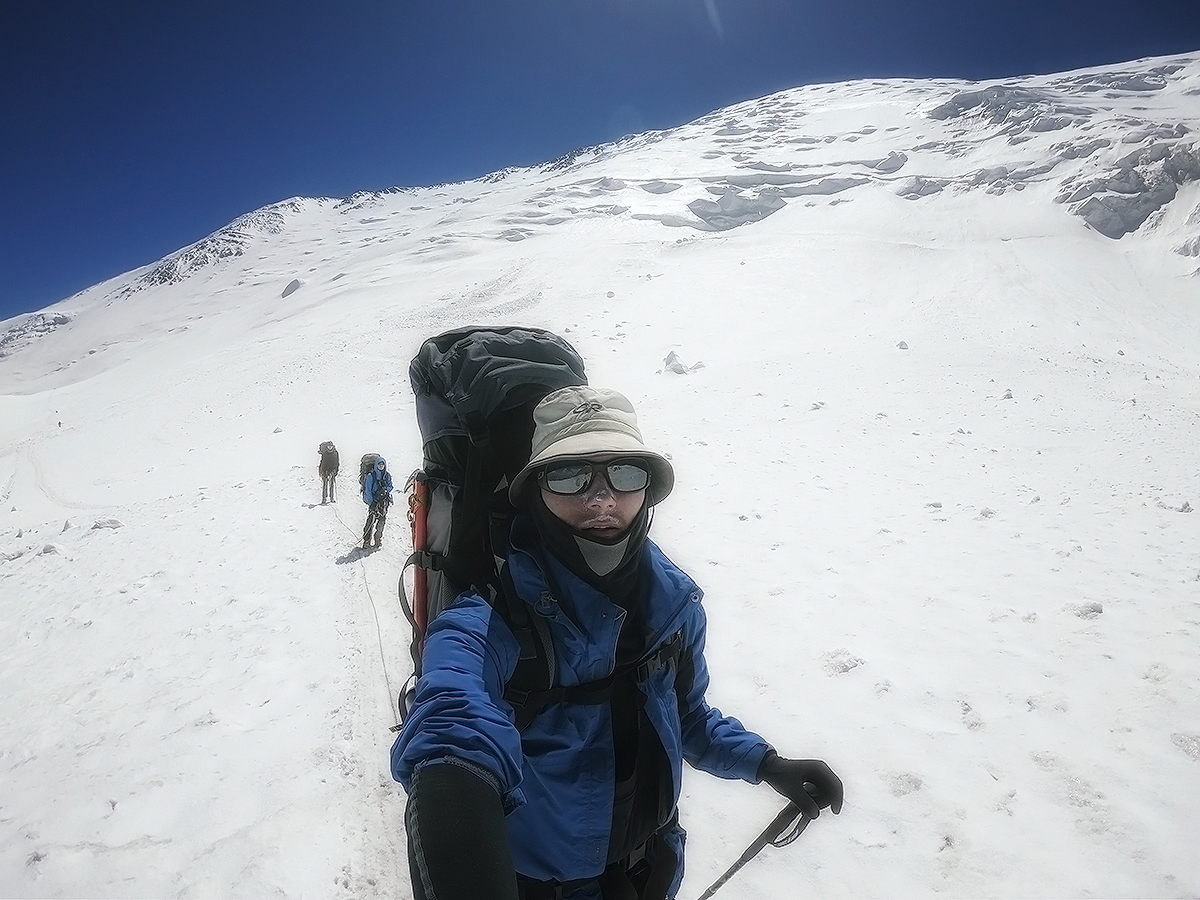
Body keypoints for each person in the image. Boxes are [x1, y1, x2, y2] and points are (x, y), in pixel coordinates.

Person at [391, 386, 843, 900]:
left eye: (625, 473)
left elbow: (686, 716)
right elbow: (453, 713)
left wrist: (766, 764)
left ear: (648, 489)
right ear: (535, 491)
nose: (602, 499)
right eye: (569, 474)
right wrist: (453, 792)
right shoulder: (492, 612)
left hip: (648, 871)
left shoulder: (671, 605)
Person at [362, 456, 393, 549]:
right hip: (374, 503)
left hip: (383, 503)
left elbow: (391, 486)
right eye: (379, 464)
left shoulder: (387, 475)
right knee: (370, 521)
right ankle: (366, 541)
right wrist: (371, 503)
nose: (381, 466)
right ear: (376, 465)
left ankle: (377, 539)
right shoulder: (371, 476)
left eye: (383, 464)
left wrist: (385, 490)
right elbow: (368, 490)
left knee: (382, 521)